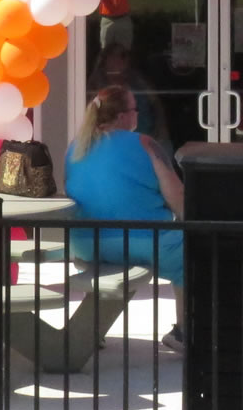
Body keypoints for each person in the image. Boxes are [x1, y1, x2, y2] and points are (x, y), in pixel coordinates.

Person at [64, 85, 189, 350]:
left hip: (87, 245)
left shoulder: (76, 147)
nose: (138, 114)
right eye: (135, 109)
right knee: (192, 257)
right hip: (144, 240)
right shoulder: (145, 144)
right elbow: (178, 197)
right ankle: (183, 332)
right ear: (122, 116)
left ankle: (90, 332)